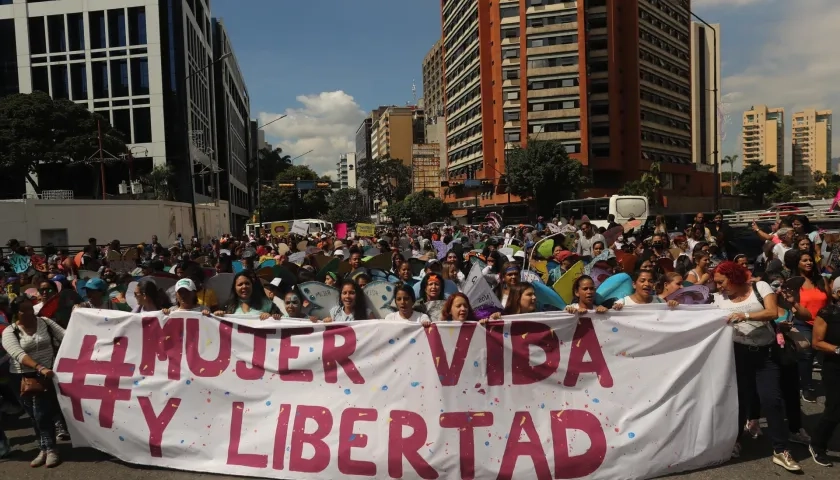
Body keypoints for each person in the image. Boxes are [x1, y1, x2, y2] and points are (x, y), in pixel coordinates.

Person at [712, 261, 800, 471]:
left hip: (765, 354)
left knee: (772, 400)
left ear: (734, 277)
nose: (719, 287)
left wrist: (746, 315)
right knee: (738, 402)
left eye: (721, 282)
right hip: (737, 355)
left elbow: (772, 312)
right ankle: (733, 442)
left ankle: (781, 449)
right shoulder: (717, 299)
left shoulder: (760, 288)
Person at [1, 296, 64, 468]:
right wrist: (38, 367)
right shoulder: (10, 332)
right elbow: (18, 354)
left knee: (42, 414)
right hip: (22, 378)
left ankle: (51, 449)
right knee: (33, 416)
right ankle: (43, 448)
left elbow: (65, 336)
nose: (30, 313)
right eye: (24, 310)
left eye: (31, 308)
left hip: (46, 375)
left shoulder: (45, 322)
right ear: (16, 313)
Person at [808, 281, 840, 467]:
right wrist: (838, 350)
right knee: (835, 409)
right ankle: (817, 444)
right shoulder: (828, 313)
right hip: (834, 366)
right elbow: (817, 342)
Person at [214, 272, 280, 320]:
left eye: (247, 283)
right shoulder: (228, 306)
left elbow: (281, 320)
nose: (244, 287)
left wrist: (270, 317)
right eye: (240, 284)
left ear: (252, 286)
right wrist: (218, 314)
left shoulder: (267, 304)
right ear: (234, 288)